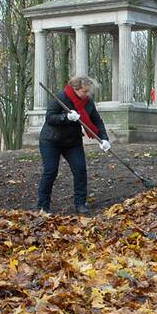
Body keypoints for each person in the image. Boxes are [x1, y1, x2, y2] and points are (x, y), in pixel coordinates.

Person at [37, 75, 110, 215]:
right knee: (50, 171)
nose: (87, 94)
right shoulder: (61, 97)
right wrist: (66, 117)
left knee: (80, 170)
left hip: (72, 142)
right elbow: (50, 118)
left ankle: (80, 203)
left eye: (88, 92)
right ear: (76, 89)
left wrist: (104, 139)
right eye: (84, 91)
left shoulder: (88, 102)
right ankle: (43, 206)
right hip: (51, 140)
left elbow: (97, 120)